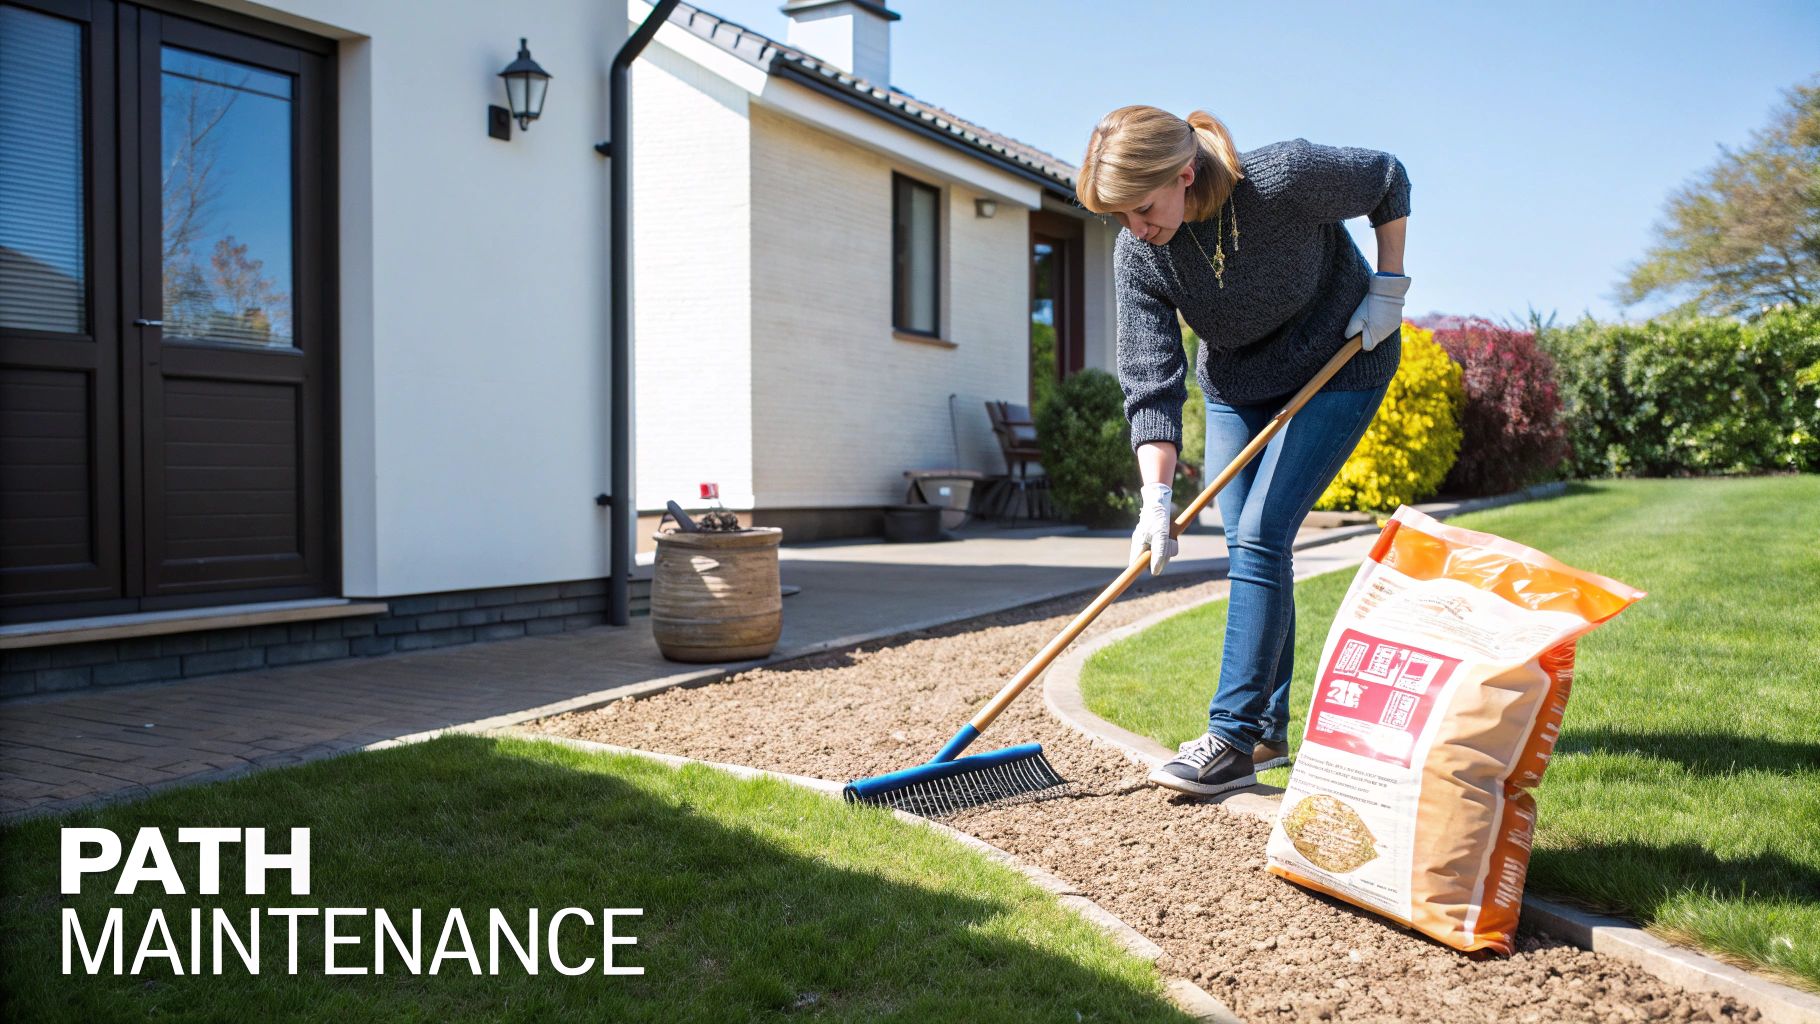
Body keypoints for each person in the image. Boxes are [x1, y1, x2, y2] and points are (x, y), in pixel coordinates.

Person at [1075, 106, 1412, 796]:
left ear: (1185, 172)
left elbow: (1387, 179)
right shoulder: (1140, 253)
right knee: (1249, 542)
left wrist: (1388, 286)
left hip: (1343, 357)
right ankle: (1264, 734)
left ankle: (1227, 738)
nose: (1137, 229)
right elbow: (1151, 380)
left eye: (1142, 208)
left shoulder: (1282, 179)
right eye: (1121, 217)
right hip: (1237, 384)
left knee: (1261, 533)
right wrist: (1157, 499)